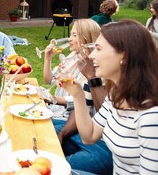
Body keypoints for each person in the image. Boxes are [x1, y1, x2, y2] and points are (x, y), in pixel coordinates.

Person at [61, 20, 158, 174]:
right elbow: (89, 136)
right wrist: (77, 95)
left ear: (124, 56)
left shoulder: (153, 117)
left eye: (98, 49)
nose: (91, 56)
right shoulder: (115, 95)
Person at [42, 19, 112, 174]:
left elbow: (102, 119)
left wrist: (92, 78)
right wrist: (62, 134)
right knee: (42, 134)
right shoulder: (89, 69)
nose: (93, 55)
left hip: (106, 149)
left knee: (51, 167)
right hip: (89, 135)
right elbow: (86, 116)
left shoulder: (100, 74)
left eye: (98, 49)